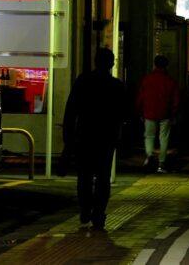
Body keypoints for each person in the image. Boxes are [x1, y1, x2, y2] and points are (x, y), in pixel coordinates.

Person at [62, 47, 129, 230]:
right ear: (111, 63)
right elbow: (123, 114)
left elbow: (71, 109)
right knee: (102, 177)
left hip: (85, 135)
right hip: (106, 137)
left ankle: (85, 208)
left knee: (84, 175)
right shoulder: (117, 86)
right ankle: (98, 213)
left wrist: (68, 136)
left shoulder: (83, 81)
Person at [136, 54, 180, 172]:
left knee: (149, 135)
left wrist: (140, 110)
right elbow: (175, 100)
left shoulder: (147, 79)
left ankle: (150, 155)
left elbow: (141, 97)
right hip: (165, 113)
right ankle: (161, 163)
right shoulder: (170, 81)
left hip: (149, 112)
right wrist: (173, 113)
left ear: (154, 64)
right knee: (164, 137)